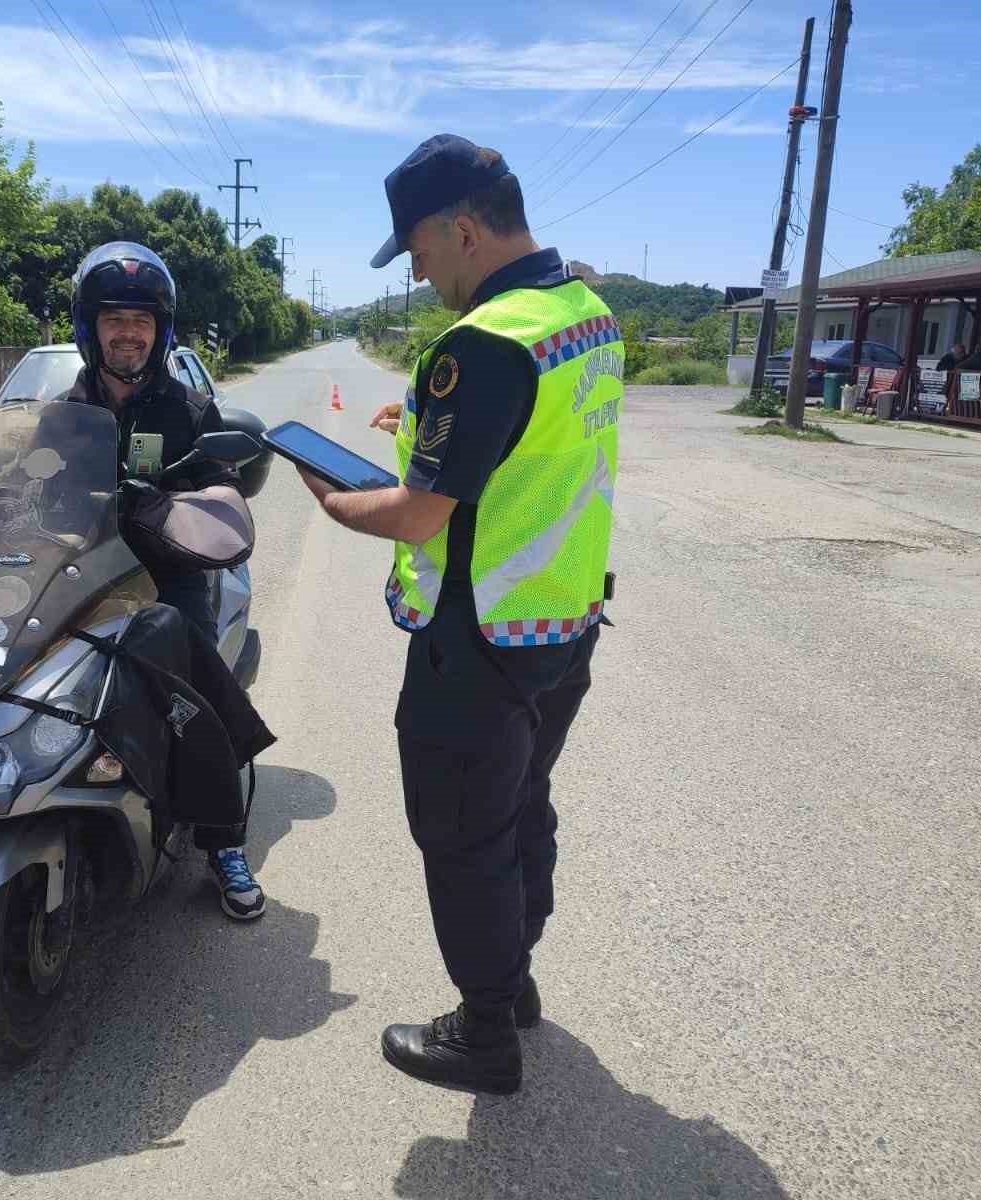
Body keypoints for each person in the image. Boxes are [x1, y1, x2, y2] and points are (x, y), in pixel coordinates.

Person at [295, 134, 622, 1094]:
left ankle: (485, 1035)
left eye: (420, 252)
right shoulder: (582, 315)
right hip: (562, 626)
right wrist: (424, 428)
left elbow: (417, 514)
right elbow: (532, 447)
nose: (418, 272)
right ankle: (511, 981)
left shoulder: (478, 345)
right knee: (520, 803)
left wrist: (329, 498)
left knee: (463, 833)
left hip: (476, 643)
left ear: (465, 229)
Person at [57, 240, 266, 921]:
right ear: (91, 328)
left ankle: (224, 840)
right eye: (114, 318)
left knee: (197, 693)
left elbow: (224, 484)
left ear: (160, 330)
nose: (127, 333)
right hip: (79, 572)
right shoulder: (65, 407)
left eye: (141, 321)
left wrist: (182, 508)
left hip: (165, 575)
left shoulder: (186, 407)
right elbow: (26, 477)